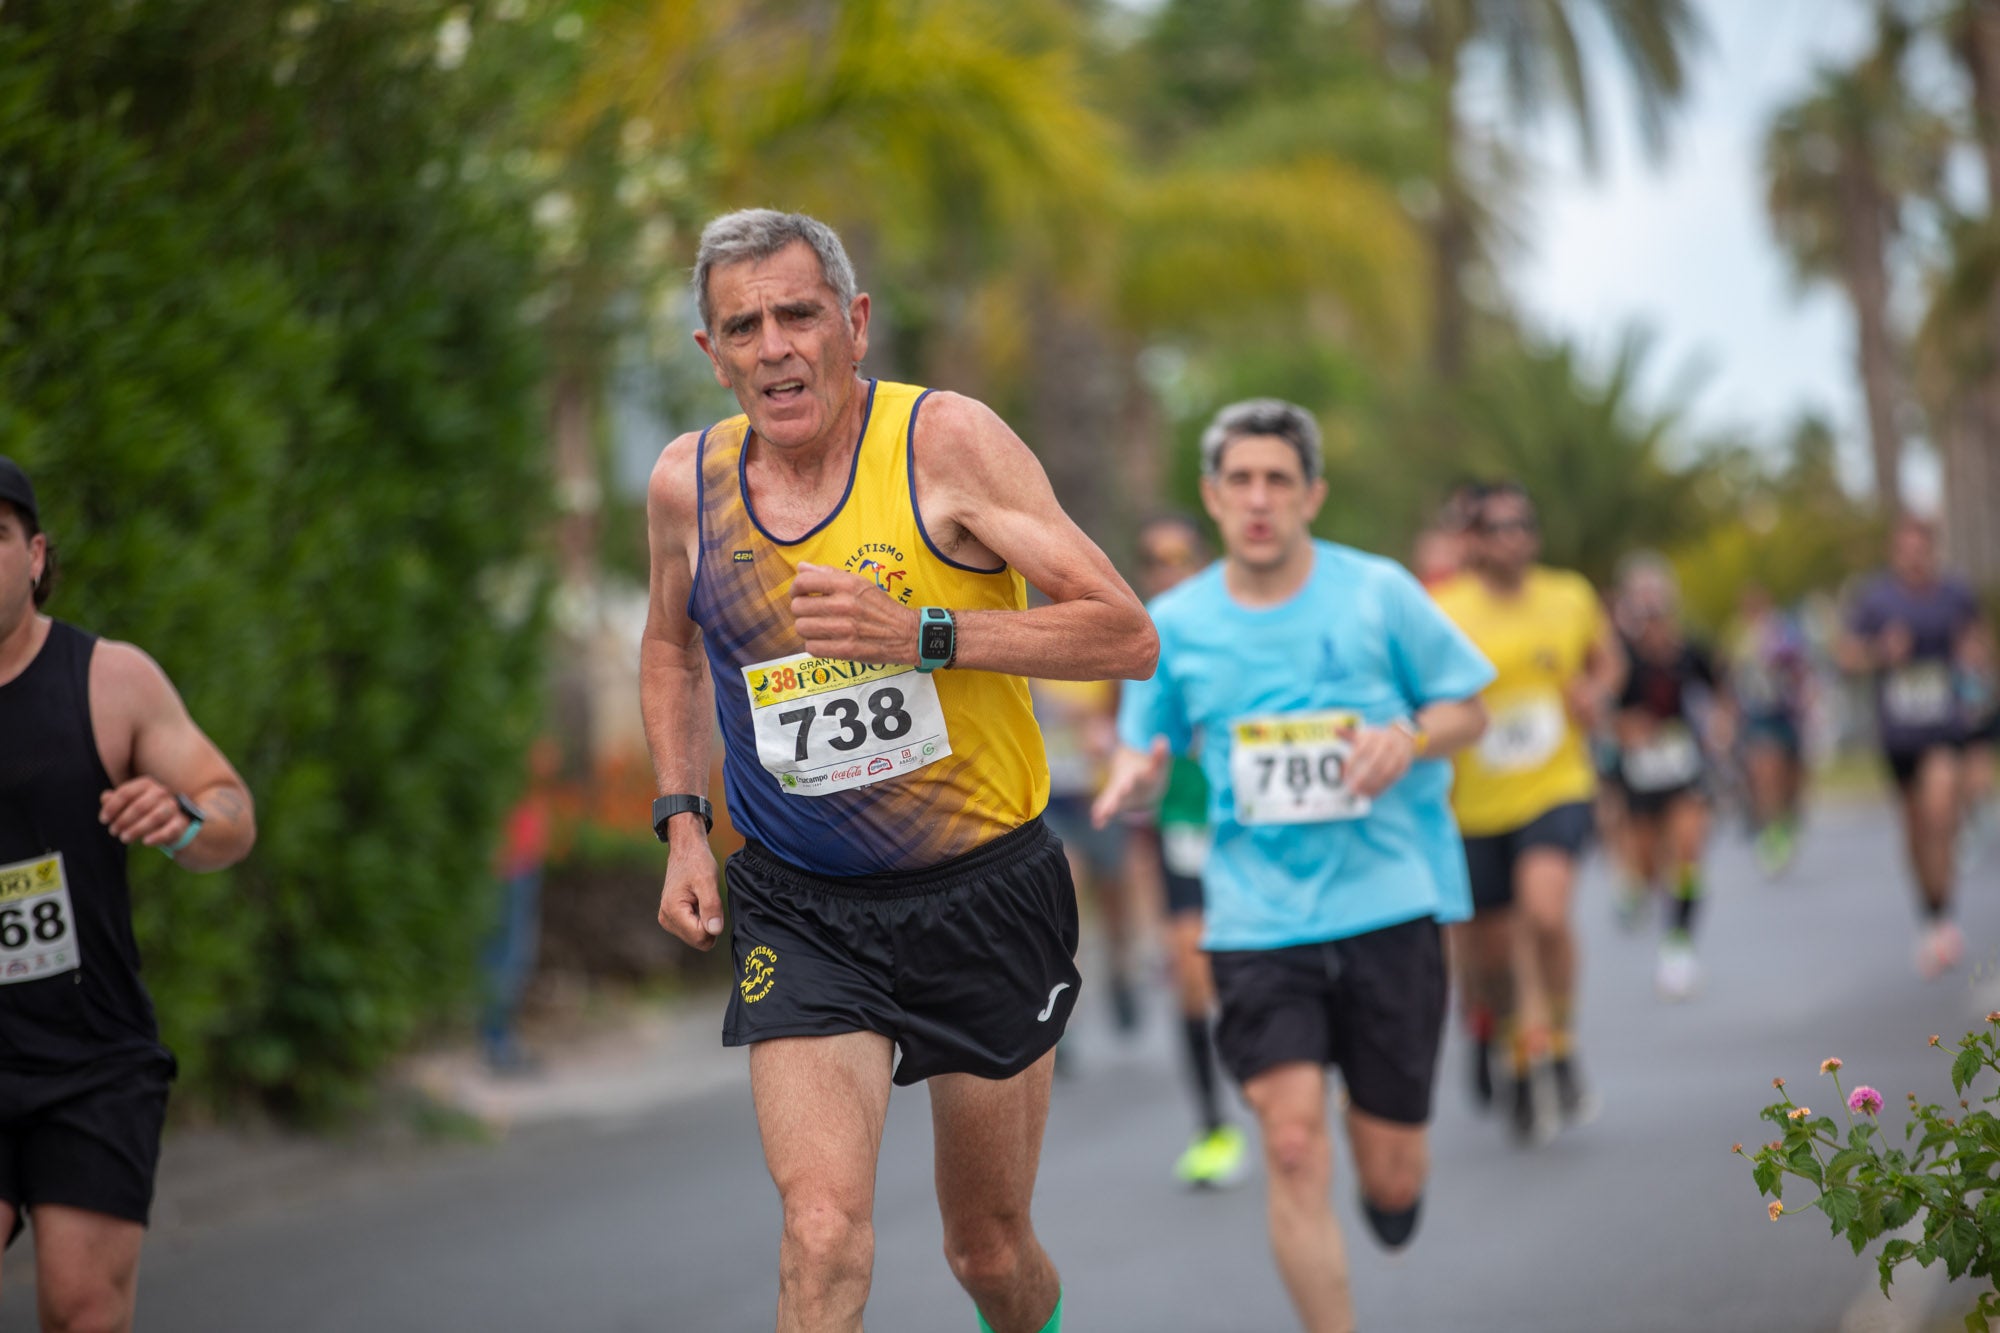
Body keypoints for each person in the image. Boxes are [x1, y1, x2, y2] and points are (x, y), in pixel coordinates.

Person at [639, 210, 1156, 1333]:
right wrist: (682, 822)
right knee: (820, 1232)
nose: (773, 345)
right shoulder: (688, 483)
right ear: (709, 353)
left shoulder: (947, 443)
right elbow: (670, 647)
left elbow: (1123, 634)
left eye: (797, 314)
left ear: (853, 323)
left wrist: (920, 632)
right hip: (801, 903)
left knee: (987, 1250)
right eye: (742, 326)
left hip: (980, 891)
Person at [1093, 400, 1491, 1333]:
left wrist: (1409, 735)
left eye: (1279, 479)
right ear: (1213, 495)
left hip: (1390, 905)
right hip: (1258, 918)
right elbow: (1141, 740)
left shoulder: (1377, 592)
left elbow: (1469, 708)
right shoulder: (1174, 623)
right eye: (1241, 481)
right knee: (1295, 1143)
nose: (1260, 499)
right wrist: (1137, 769)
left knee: (1392, 1185)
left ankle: (1392, 1187)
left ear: (1313, 493)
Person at [0, 457, 257, 1333]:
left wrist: (182, 817)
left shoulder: (110, 680)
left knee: (81, 1308)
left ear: (35, 555)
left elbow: (232, 812)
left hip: (90, 1056)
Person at [1433, 482, 1623, 1145]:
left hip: (1556, 782)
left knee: (1544, 912)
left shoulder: (1569, 596)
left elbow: (1607, 662)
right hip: (1473, 804)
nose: (1511, 536)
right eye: (1496, 526)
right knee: (1486, 954)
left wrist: (1596, 691)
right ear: (1474, 539)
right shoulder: (1443, 608)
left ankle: (1561, 1042)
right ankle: (1514, 1047)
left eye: (1522, 524)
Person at [1123, 513, 1245, 1186]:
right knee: (1192, 967)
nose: (1167, 569)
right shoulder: (1139, 642)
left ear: (1203, 561)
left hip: (1259, 824)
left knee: (1265, 961)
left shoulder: (1239, 623)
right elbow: (1131, 745)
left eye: (1179, 556)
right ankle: (1214, 1127)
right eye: (1154, 558)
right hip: (1185, 822)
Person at [1838, 516, 1987, 977]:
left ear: (1932, 550)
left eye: (1920, 547)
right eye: (1904, 548)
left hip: (1942, 725)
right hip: (1899, 732)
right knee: (1916, 826)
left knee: (1940, 810)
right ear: (1894, 552)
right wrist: (1881, 653)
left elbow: (1977, 647)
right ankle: (1933, 914)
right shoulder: (1876, 599)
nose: (1913, 556)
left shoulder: (1955, 594)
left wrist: (1975, 663)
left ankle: (1943, 911)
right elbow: (1846, 654)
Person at [1613, 562, 1727, 1000]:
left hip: (1683, 768)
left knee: (1687, 847)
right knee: (1645, 864)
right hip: (1640, 774)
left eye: (1657, 604)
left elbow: (1720, 692)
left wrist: (1720, 722)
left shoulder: (1690, 652)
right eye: (1642, 606)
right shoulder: (1622, 660)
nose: (1652, 616)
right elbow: (1605, 714)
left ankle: (1678, 944)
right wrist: (1626, 727)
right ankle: (1638, 891)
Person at [1029, 674, 1139, 1035]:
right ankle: (1061, 1009)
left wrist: (1098, 722)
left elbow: (1122, 715)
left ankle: (1120, 973)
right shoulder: (1031, 668)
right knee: (1064, 896)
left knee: (1115, 904)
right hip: (1056, 802)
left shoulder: (1103, 669)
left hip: (1099, 799)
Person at [1725, 585, 1813, 877]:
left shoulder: (1786, 632)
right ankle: (1771, 832)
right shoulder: (1737, 638)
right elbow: (1730, 678)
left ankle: (1787, 823)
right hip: (1757, 718)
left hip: (1787, 716)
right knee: (1764, 775)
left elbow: (1801, 669)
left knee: (1791, 782)